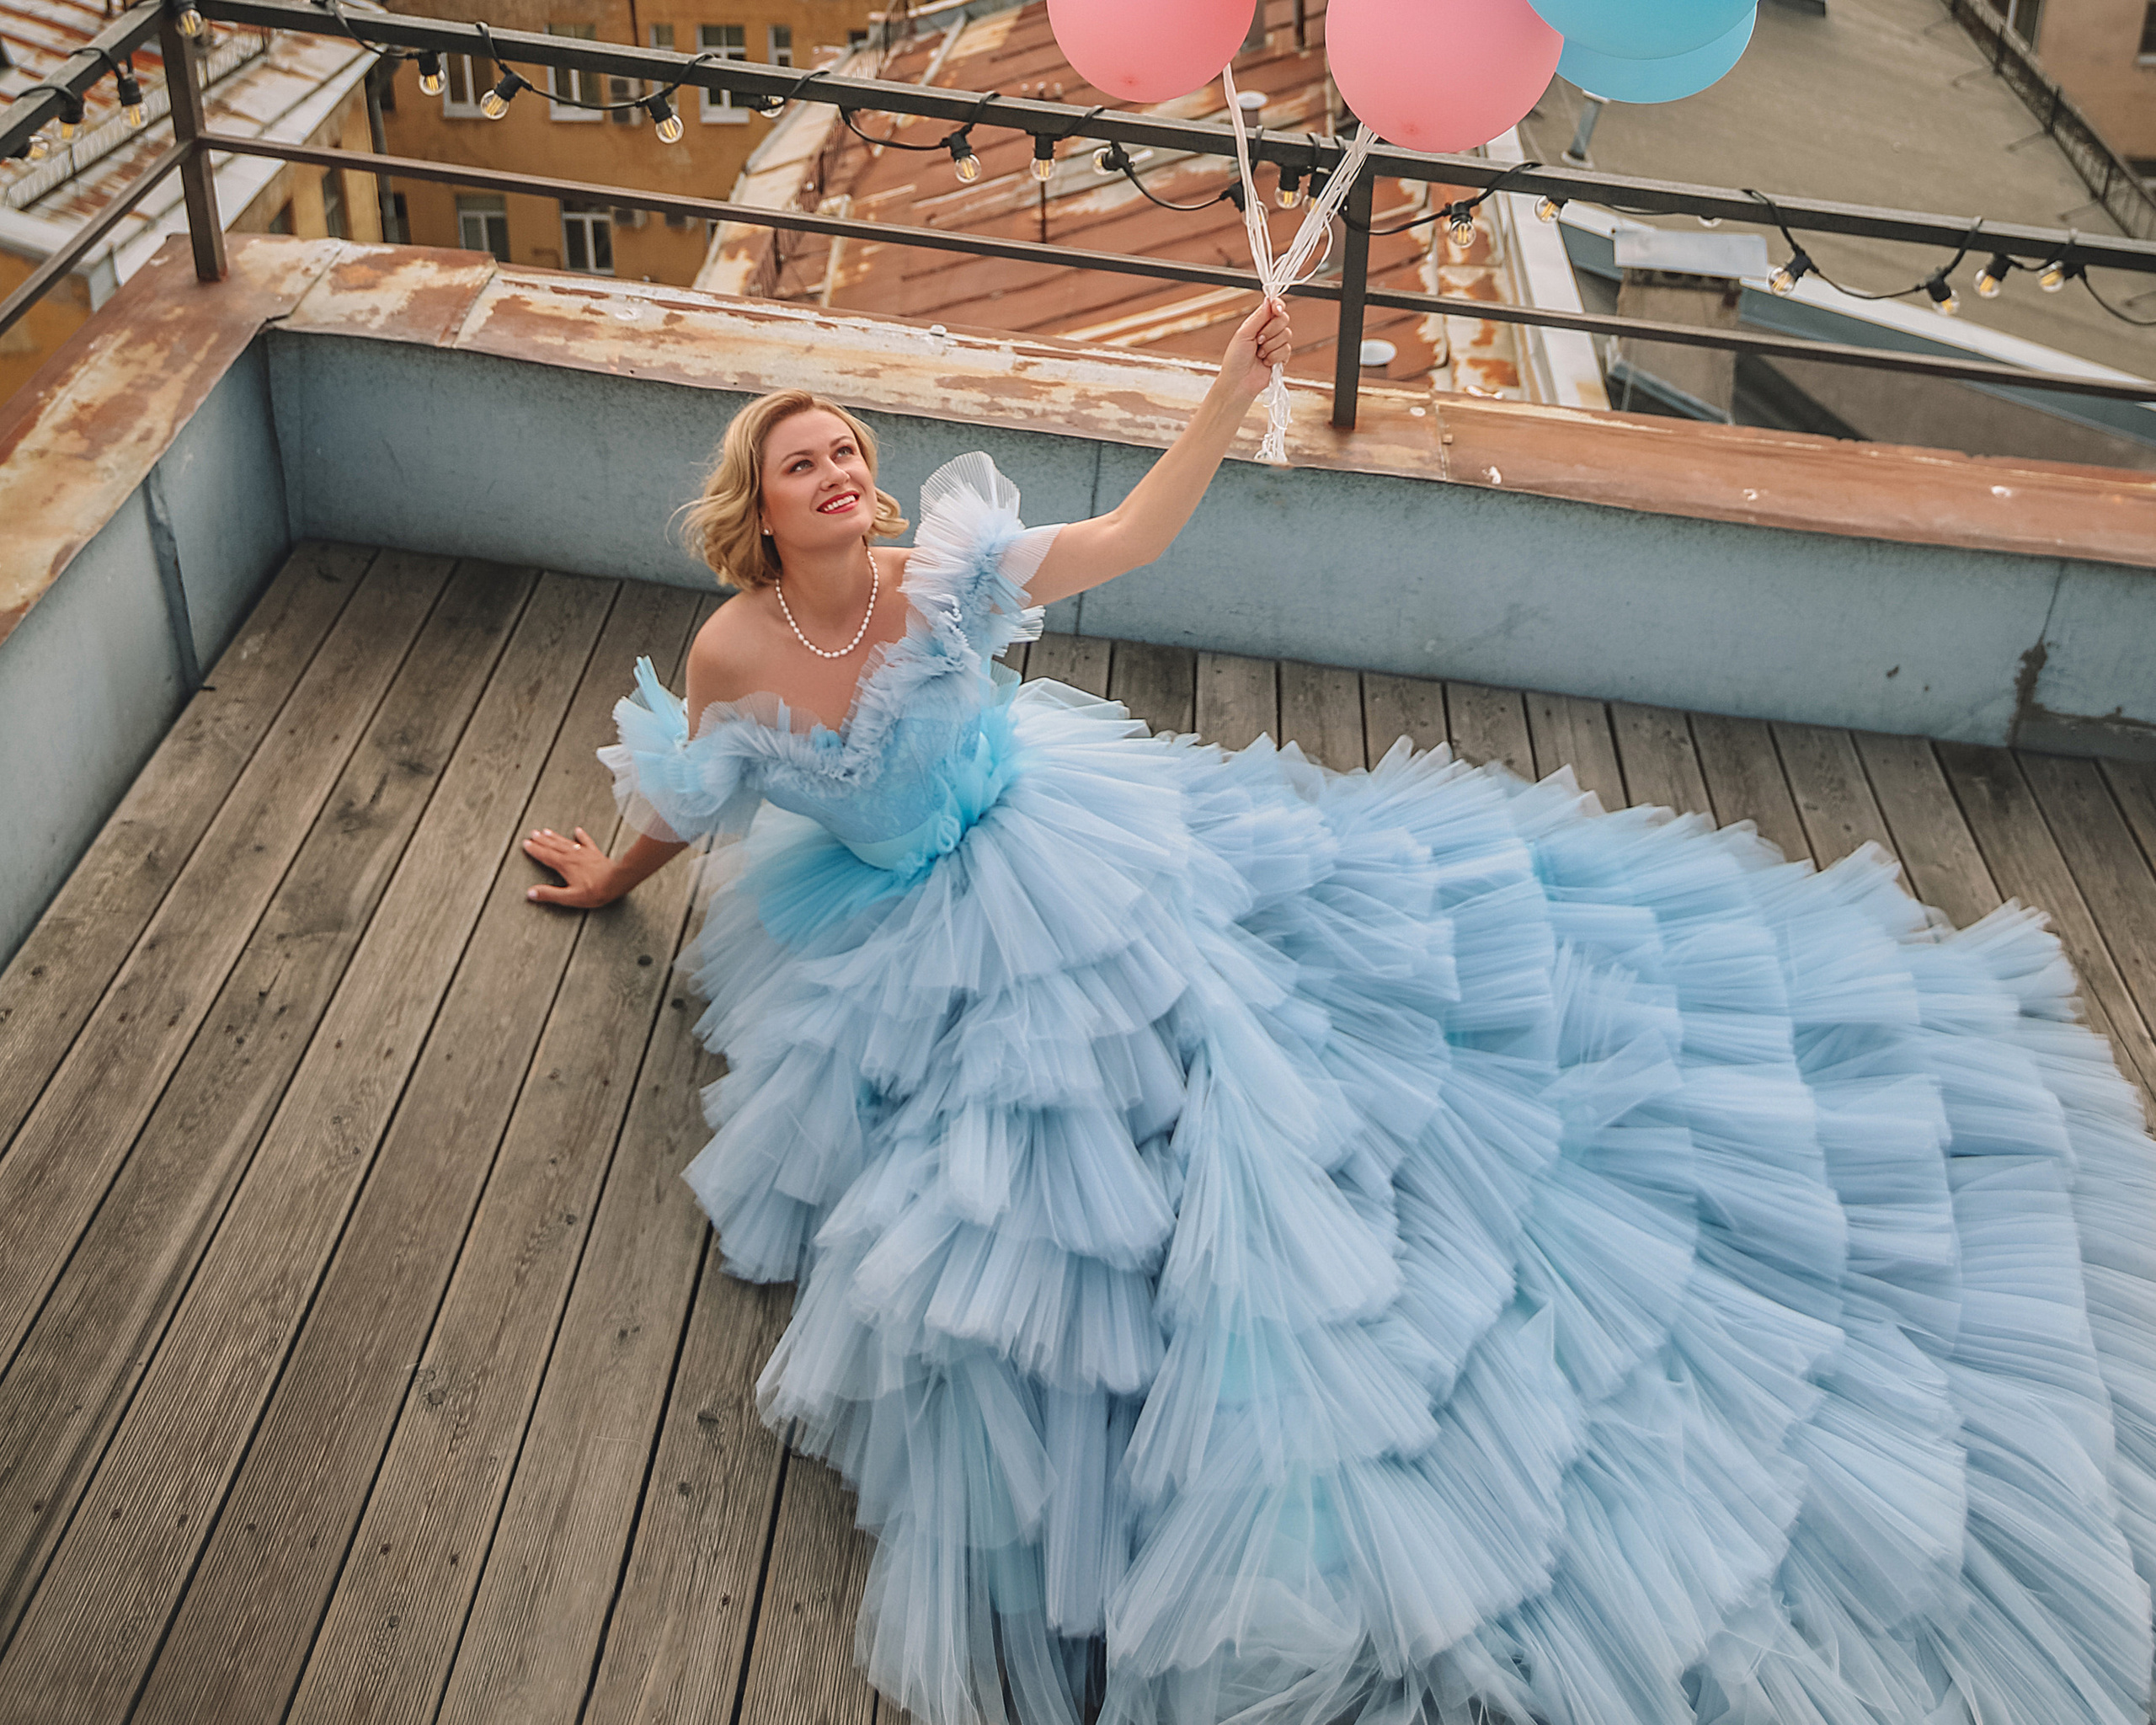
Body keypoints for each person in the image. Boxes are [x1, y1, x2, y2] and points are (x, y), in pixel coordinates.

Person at [524, 301, 2156, 1725]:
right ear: (755, 501)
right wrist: (613, 879)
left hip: (1050, 849)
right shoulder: (733, 644)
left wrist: (1229, 394)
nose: (837, 472)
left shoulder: (942, 577)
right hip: (890, 922)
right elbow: (702, 794)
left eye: (848, 449)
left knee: (1253, 1050)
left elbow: (1129, 541)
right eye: (801, 459)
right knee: (1009, 1183)